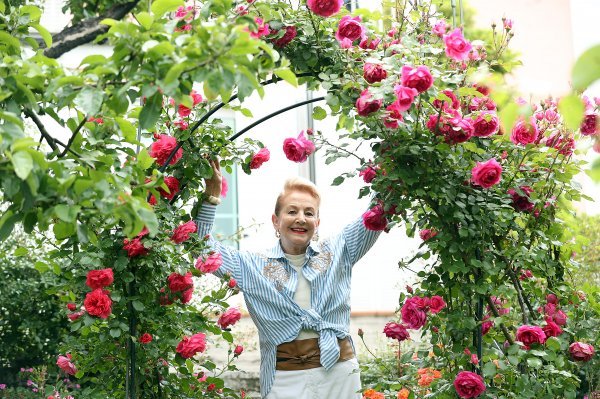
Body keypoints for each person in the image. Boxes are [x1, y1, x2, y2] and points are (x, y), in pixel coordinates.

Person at [196, 159, 382, 399]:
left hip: (339, 373)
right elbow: (202, 248)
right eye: (292, 211)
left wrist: (388, 168)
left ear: (317, 223)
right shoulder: (253, 266)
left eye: (309, 213)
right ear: (276, 220)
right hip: (284, 378)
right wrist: (211, 198)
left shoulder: (337, 251)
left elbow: (377, 215)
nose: (301, 218)